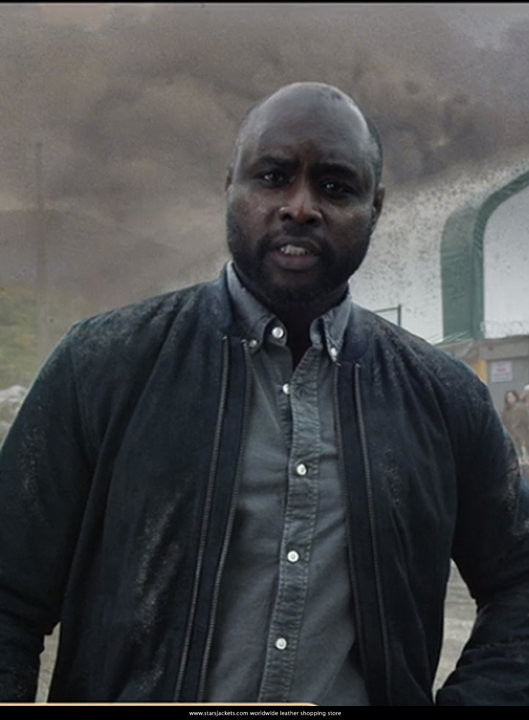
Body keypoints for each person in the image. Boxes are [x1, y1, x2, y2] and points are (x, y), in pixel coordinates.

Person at [1, 81, 529, 707]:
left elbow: (518, 581)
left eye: (336, 187)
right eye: (273, 178)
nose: (300, 207)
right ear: (231, 185)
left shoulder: (445, 400)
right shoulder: (102, 365)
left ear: (376, 207)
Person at [501, 389, 529, 458]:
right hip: (512, 436)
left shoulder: (521, 407)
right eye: (508, 397)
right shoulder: (505, 411)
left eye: (511, 397)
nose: (510, 399)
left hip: (522, 435)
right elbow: (505, 423)